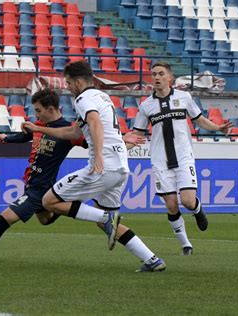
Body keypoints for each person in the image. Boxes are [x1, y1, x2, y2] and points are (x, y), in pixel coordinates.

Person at [0, 88, 152, 272]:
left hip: (40, 190)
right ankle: (73, 207)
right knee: (45, 220)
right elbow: (26, 137)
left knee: (2, 221)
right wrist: (6, 139)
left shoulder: (67, 131)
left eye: (38, 110)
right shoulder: (39, 127)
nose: (36, 115)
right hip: (35, 186)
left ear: (51, 108)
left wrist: (123, 141)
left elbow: (96, 142)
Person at [22, 61, 166, 272]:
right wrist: (38, 128)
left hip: (103, 167)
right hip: (120, 169)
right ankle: (152, 259)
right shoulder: (103, 97)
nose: (68, 87)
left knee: (49, 201)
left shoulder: (83, 98)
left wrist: (98, 156)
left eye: (69, 83)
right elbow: (73, 133)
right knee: (105, 222)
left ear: (79, 82)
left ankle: (107, 217)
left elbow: (95, 122)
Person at [131, 61, 232, 255]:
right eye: (153, 74)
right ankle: (186, 244)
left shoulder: (184, 97)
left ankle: (197, 209)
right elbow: (137, 133)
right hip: (160, 161)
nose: (156, 77)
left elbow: (199, 119)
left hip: (184, 157)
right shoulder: (146, 105)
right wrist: (119, 146)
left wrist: (218, 128)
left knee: (186, 200)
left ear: (170, 77)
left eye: (161, 74)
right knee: (171, 204)